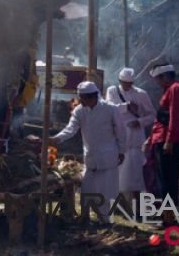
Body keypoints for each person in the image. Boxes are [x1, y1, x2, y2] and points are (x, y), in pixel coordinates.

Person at [50, 81, 126, 224]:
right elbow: (71, 128)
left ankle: (106, 221)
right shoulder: (80, 110)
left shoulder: (110, 109)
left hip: (108, 157)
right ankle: (85, 217)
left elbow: (121, 131)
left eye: (81, 98)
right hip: (91, 156)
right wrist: (57, 139)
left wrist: (122, 150)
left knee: (106, 192)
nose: (79, 101)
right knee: (86, 189)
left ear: (91, 97)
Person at [105, 68, 155, 199]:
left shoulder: (141, 94)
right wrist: (126, 106)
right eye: (124, 83)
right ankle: (115, 198)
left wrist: (139, 122)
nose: (127, 86)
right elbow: (108, 108)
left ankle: (134, 199)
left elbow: (152, 115)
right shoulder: (112, 91)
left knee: (134, 170)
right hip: (117, 136)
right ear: (119, 81)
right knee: (116, 169)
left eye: (129, 83)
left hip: (134, 138)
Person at [148, 63, 179, 227]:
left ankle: (168, 219)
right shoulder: (170, 89)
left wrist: (169, 141)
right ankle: (168, 216)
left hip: (167, 142)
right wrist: (150, 139)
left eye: (158, 79)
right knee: (165, 180)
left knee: (167, 181)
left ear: (165, 77)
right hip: (161, 139)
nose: (157, 83)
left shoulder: (175, 89)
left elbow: (174, 117)